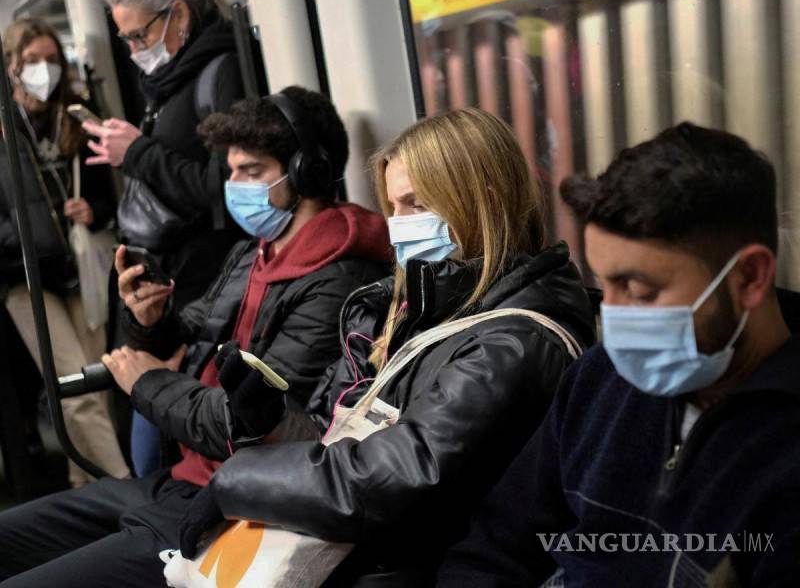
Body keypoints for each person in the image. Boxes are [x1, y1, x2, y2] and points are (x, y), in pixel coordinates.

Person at [174, 108, 597, 586]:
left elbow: (396, 474)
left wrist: (238, 481)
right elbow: (338, 440)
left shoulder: (515, 341)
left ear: (484, 204)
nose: (398, 226)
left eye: (416, 204)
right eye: (393, 207)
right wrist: (271, 422)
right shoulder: (405, 309)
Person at [0, 86, 394, 586]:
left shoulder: (338, 281)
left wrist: (147, 382)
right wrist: (148, 320)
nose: (235, 186)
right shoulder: (254, 252)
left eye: (251, 171)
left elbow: (250, 423)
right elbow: (190, 332)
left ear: (306, 173)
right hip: (177, 480)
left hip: (229, 503)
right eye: (231, 172)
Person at [436, 123, 800, 587]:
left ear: (749, 278)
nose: (614, 316)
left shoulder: (784, 460)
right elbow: (496, 548)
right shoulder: (598, 381)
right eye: (604, 285)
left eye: (640, 292)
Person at [86, 0, 247, 475]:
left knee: (162, 451)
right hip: (170, 294)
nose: (136, 51)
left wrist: (137, 153)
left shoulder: (219, 73)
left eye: (140, 35)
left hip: (207, 288)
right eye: (126, 40)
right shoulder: (166, 85)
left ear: (177, 14)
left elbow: (224, 188)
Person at [0, 17, 130, 487]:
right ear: (11, 66)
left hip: (80, 268)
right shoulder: (3, 126)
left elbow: (110, 192)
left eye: (51, 59)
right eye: (32, 60)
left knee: (96, 382)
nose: (43, 69)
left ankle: (84, 486)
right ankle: (125, 485)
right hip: (25, 276)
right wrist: (25, 236)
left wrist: (93, 211)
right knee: (74, 387)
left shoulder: (76, 116)